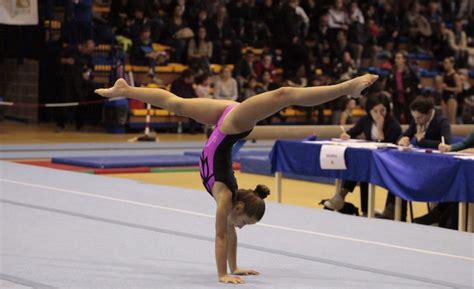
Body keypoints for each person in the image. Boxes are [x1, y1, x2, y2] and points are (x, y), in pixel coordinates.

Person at [95, 74, 378, 284]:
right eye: (245, 222)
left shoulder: (227, 200)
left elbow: (227, 232)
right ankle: (347, 88)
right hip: (233, 126)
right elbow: (222, 234)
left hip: (224, 120)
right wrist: (222, 274)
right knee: (284, 94)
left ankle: (126, 89)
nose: (240, 228)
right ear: (239, 209)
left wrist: (235, 266)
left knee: (177, 104)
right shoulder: (226, 199)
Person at [324, 93, 402, 217]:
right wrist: (347, 135)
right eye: (375, 111)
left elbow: (387, 146)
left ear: (388, 110)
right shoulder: (366, 120)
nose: (379, 115)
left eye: (382, 111)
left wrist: (380, 130)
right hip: (369, 162)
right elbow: (352, 132)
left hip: (386, 163)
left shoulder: (394, 125)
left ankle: (343, 195)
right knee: (359, 163)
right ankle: (346, 198)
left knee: (363, 165)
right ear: (369, 111)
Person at [385, 51, 420, 124]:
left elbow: (416, 82)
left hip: (408, 97)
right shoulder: (392, 71)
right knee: (396, 118)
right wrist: (389, 90)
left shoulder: (410, 70)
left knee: (410, 117)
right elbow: (387, 84)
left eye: (398, 58)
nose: (396, 60)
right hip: (396, 96)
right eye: (396, 58)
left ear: (404, 59)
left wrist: (410, 88)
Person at [441, 57, 462, 124]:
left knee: (451, 120)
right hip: (444, 97)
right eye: (444, 63)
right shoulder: (444, 75)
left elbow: (459, 89)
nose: (444, 64)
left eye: (446, 63)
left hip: (451, 98)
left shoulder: (455, 75)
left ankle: (452, 134)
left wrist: (447, 88)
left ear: (452, 64)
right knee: (444, 120)